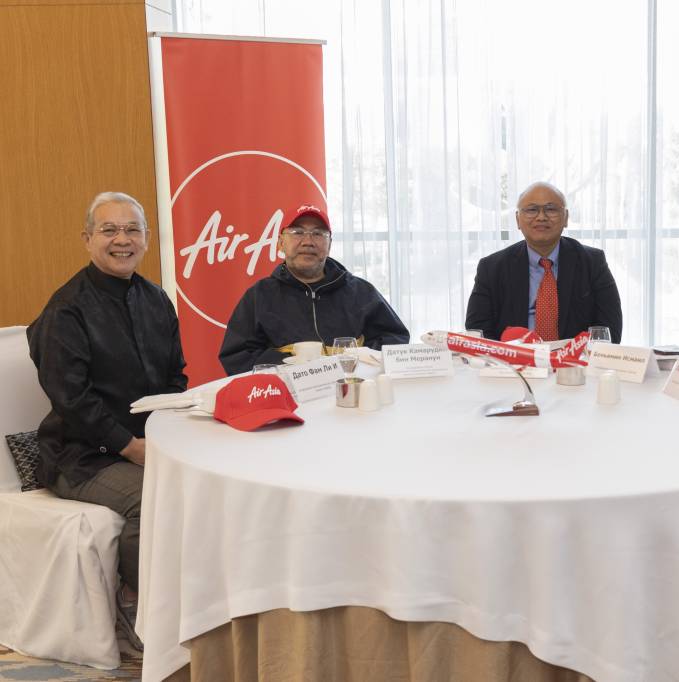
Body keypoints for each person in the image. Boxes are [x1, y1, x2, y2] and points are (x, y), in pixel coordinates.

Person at [28, 191, 187, 649]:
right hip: (81, 457)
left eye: (133, 229)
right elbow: (72, 399)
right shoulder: (66, 310)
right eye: (110, 229)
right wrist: (131, 447)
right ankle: (139, 604)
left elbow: (175, 379)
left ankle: (190, 599)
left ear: (147, 239)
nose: (123, 239)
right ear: (87, 239)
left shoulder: (157, 299)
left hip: (146, 444)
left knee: (203, 481)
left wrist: (167, 435)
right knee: (153, 495)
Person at [219, 204, 410, 374]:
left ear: (329, 245)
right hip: (286, 394)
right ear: (281, 243)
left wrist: (359, 362)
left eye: (318, 234)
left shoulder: (361, 292)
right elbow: (236, 355)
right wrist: (290, 366)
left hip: (352, 389)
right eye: (297, 232)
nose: (308, 241)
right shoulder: (259, 295)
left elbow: (395, 339)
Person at [465, 181, 623, 342]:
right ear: (518, 219)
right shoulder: (491, 268)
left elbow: (609, 331)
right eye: (532, 210)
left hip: (576, 357)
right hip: (514, 356)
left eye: (551, 209)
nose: (541, 217)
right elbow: (478, 332)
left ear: (566, 217)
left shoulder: (593, 263)